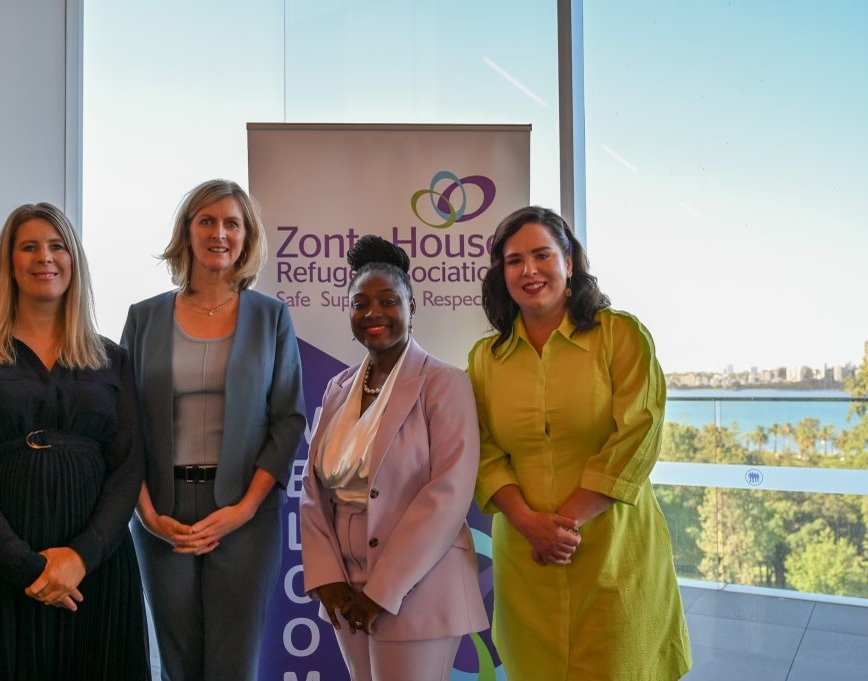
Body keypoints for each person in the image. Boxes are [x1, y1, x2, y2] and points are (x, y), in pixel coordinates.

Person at [0, 203, 148, 681]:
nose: (45, 257)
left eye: (57, 246)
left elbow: (128, 467)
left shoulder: (113, 360)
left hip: (94, 575)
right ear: (9, 262)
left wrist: (83, 555)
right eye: (30, 247)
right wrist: (24, 566)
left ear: (74, 260)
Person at [469, 206, 692, 680]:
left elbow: (636, 437)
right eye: (514, 260)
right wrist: (531, 525)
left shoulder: (621, 335)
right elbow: (483, 450)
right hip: (528, 560)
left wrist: (560, 527)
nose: (529, 270)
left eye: (542, 255)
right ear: (501, 274)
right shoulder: (485, 358)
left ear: (570, 263)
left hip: (613, 554)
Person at [121, 179, 305, 681]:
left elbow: (288, 419)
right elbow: (123, 424)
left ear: (246, 238)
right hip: (163, 513)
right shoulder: (144, 318)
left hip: (246, 515)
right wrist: (148, 514)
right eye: (206, 220)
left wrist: (243, 509)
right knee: (177, 664)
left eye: (231, 223)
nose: (218, 233)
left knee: (233, 664)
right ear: (187, 232)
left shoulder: (272, 317)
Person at [300, 235, 488, 681]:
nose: (373, 314)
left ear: (412, 307)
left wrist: (383, 591)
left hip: (419, 582)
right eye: (360, 303)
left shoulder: (444, 383)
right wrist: (326, 577)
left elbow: (448, 494)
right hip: (345, 585)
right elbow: (313, 489)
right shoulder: (337, 388)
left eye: (388, 301)